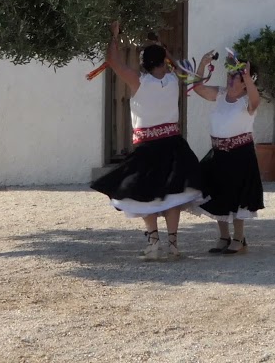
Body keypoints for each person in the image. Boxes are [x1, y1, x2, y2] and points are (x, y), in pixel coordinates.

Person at [90, 22, 209, 261]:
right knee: (173, 194)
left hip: (147, 146)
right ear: (163, 61)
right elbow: (181, 69)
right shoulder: (175, 79)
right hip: (174, 144)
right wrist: (167, 55)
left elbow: (113, 61)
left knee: (146, 194)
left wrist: (113, 36)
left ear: (144, 63)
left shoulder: (139, 81)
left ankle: (154, 242)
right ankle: (173, 244)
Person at [190, 54, 263, 255]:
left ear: (246, 82)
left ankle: (239, 238)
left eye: (235, 77)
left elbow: (256, 100)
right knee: (218, 193)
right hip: (218, 153)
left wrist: (247, 76)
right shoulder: (220, 94)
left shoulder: (248, 101)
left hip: (240, 154)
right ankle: (223, 237)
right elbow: (198, 88)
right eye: (229, 75)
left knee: (239, 196)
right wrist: (203, 66)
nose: (229, 79)